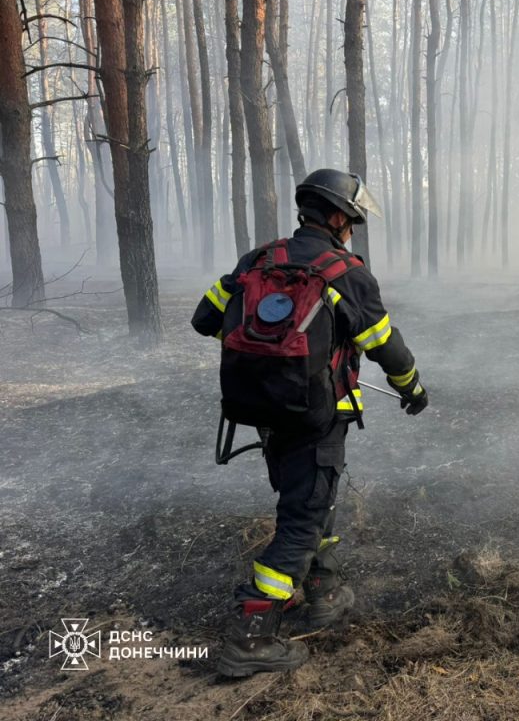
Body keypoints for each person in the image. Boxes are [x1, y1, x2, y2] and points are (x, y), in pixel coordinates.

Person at [191, 169, 428, 677]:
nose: (352, 230)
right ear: (339, 217)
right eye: (352, 222)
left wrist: (266, 357)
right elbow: (385, 345)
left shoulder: (258, 260)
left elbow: (204, 321)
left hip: (262, 411)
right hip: (316, 416)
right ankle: (251, 638)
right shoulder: (346, 272)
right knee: (303, 517)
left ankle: (322, 589)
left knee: (310, 497)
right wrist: (412, 389)